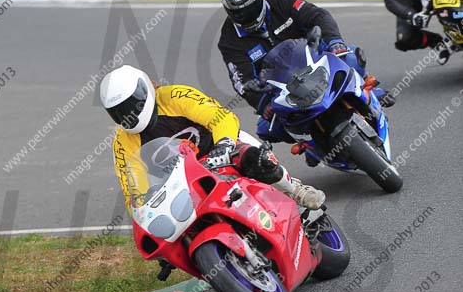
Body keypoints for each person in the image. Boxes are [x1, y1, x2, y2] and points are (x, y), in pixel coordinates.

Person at [100, 65, 326, 218]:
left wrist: (224, 143)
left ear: (145, 91)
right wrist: (142, 207)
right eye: (118, 111)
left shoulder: (175, 96)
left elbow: (220, 117)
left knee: (256, 159)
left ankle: (293, 189)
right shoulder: (123, 142)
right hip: (181, 185)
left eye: (131, 105)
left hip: (218, 151)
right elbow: (132, 188)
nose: (127, 114)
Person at [218, 0, 393, 149]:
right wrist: (261, 101)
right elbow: (241, 80)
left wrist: (334, 41)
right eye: (238, 13)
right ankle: (312, 147)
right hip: (282, 88)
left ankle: (367, 92)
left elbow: (318, 16)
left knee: (353, 57)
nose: (245, 16)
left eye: (250, 9)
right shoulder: (229, 40)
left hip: (316, 59)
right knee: (267, 128)